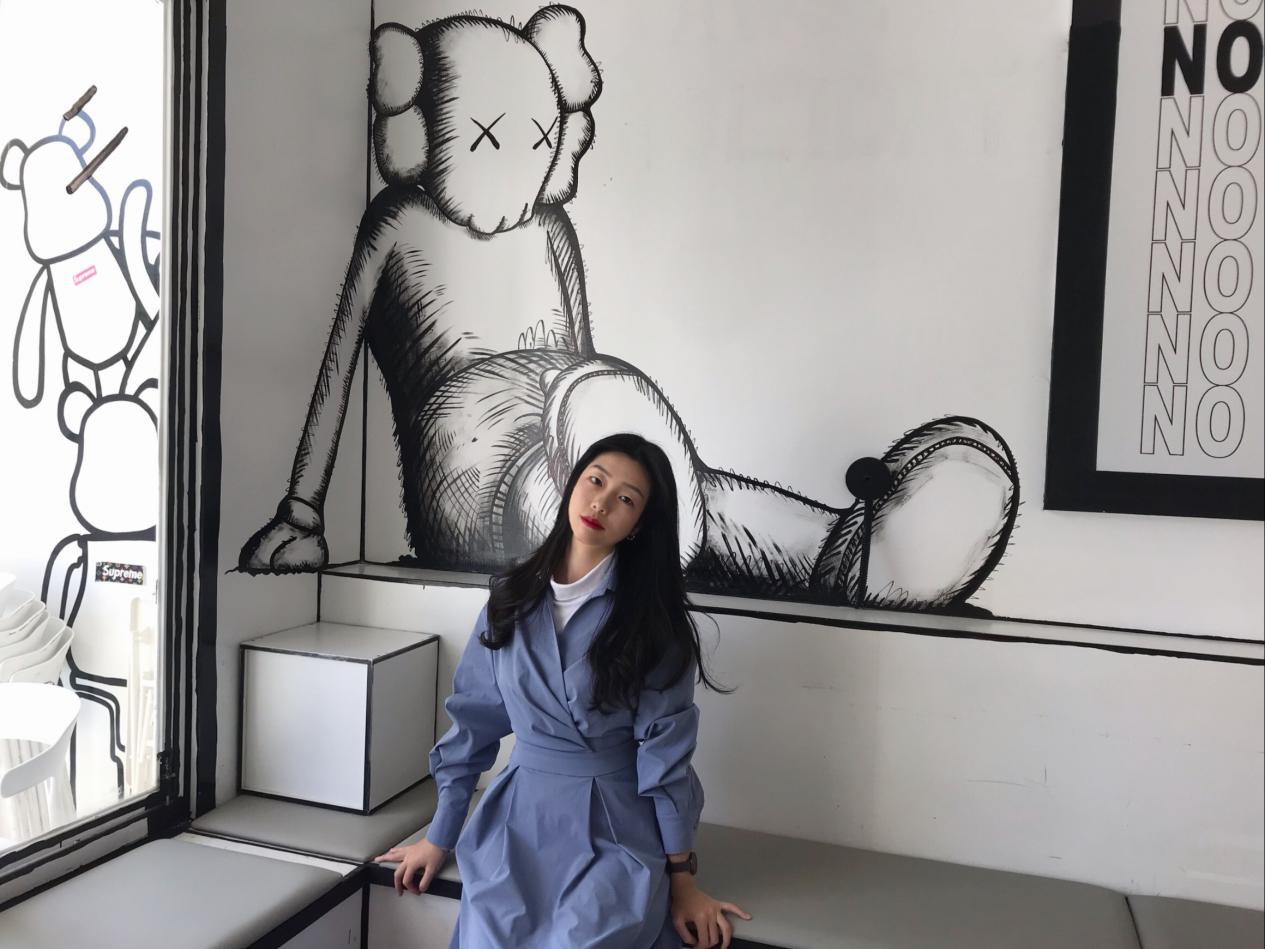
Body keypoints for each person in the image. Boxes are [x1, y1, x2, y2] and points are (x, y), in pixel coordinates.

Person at [374, 432, 753, 947]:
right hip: (516, 821)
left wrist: (682, 880)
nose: (601, 503)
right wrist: (440, 836)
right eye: (595, 481)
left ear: (641, 524)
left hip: (614, 829)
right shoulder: (509, 598)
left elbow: (665, 759)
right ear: (572, 483)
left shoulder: (655, 625)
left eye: (626, 499)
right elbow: (472, 724)